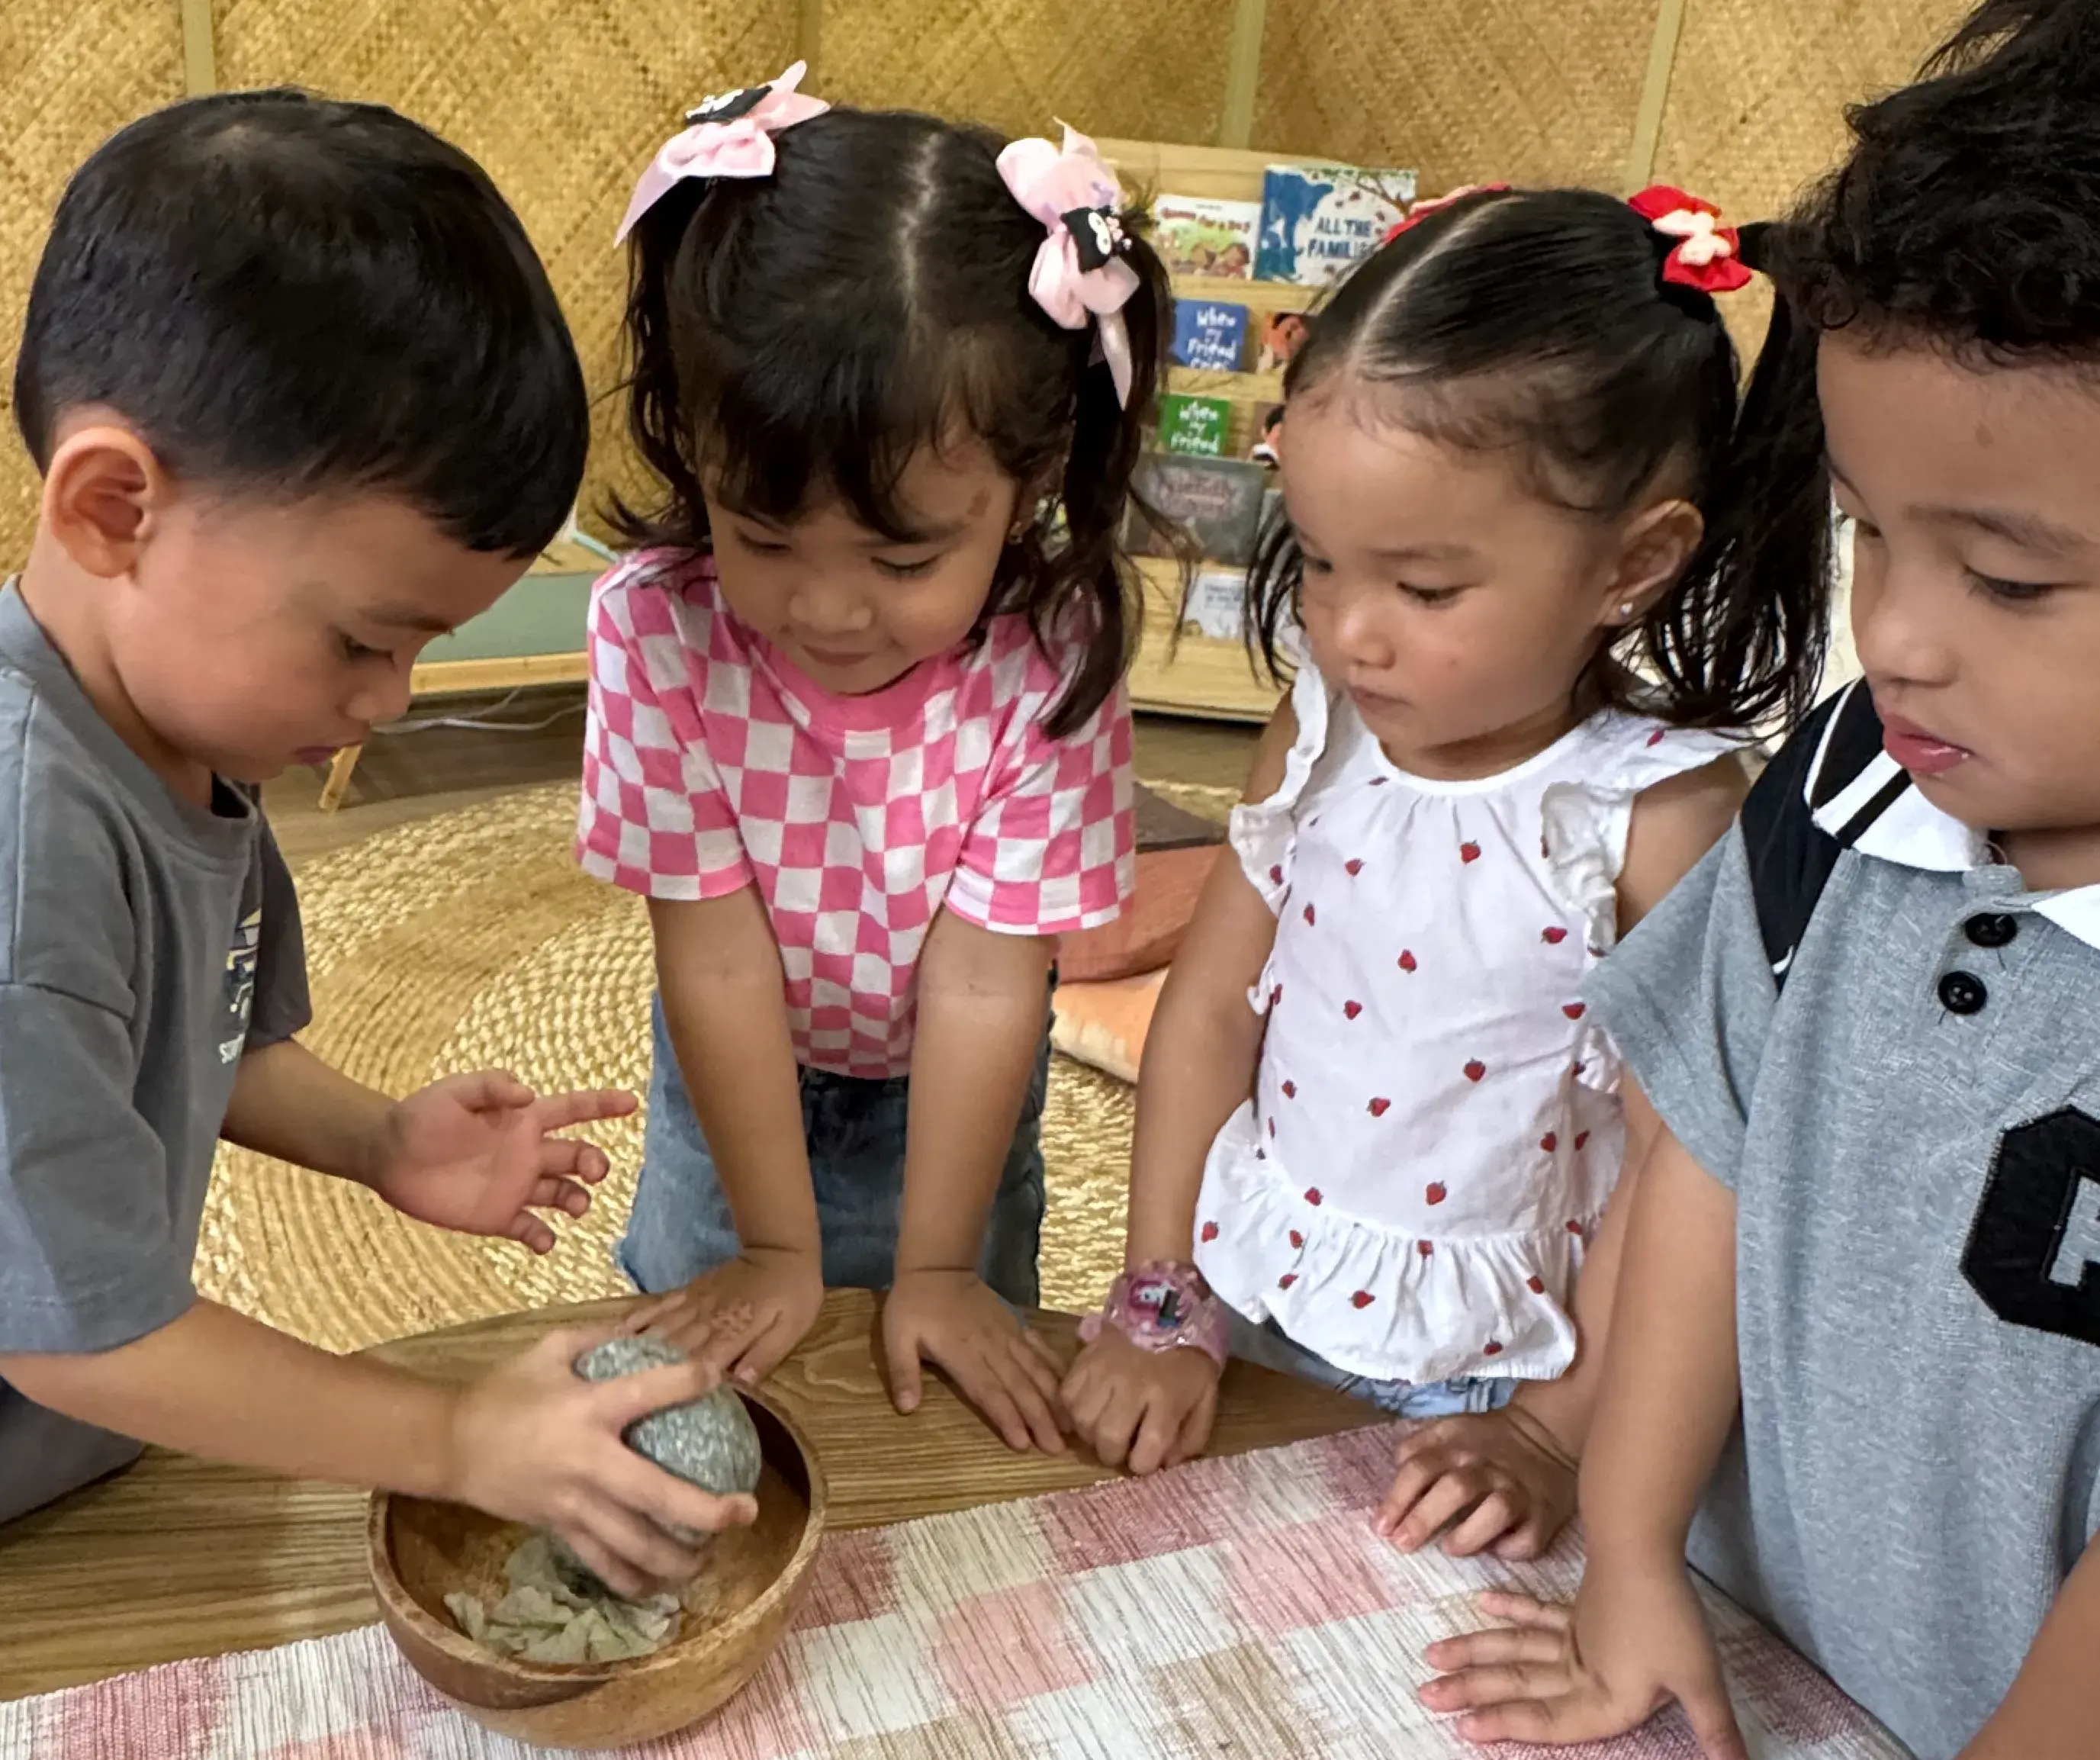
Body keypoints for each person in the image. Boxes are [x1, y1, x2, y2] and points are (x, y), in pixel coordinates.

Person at [1418, 3, 2100, 1755]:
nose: (1893, 643)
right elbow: (1701, 1166)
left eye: (2012, 581)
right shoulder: (1841, 792)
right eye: (1870, 532)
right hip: (1750, 1638)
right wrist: (1631, 1546)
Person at [0, 90, 757, 1596]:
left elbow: (184, 1038)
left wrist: (376, 1141)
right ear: (112, 507)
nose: (386, 702)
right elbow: (79, 1329)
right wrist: (464, 1439)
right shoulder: (24, 856)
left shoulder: (178, 732)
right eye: (364, 638)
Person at [1061, 178, 1831, 1555]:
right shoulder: (1322, 720)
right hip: (1248, 1291)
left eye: (1423, 589)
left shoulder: (1659, 815)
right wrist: (1161, 1297)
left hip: (1504, 1380)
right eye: (1325, 564)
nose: (1352, 633)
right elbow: (1208, 1012)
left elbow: (1689, 1178)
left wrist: (1553, 1431)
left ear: (1635, 561)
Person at [575, 69, 1167, 1453]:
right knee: (708, 1377)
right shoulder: (659, 630)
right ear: (691, 442)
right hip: (731, 1077)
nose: (829, 611)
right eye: (763, 537)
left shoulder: (1054, 655)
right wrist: (775, 1246)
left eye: (905, 557)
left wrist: (944, 1267)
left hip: (954, 1100)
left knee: (942, 1390)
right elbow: (715, 959)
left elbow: (982, 977)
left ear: (1030, 482)